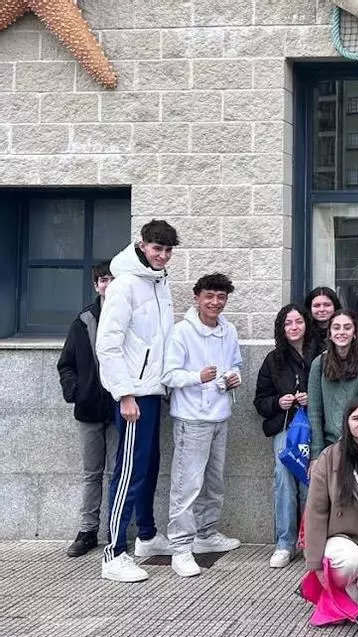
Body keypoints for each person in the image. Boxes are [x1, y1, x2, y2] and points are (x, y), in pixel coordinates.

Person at [96, 219, 179, 583]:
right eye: (157, 248)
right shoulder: (124, 284)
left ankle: (146, 535)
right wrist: (125, 394)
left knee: (148, 465)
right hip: (134, 394)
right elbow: (108, 345)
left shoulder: (159, 282)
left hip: (153, 390)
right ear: (142, 245)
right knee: (129, 471)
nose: (162, 256)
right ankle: (113, 554)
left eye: (168, 250)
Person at [161, 273, 244, 577]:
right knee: (187, 484)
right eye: (209, 296)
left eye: (221, 297)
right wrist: (197, 377)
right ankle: (181, 548)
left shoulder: (229, 330)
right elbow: (168, 375)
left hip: (220, 416)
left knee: (214, 481)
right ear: (197, 298)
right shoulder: (181, 332)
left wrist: (233, 377)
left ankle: (206, 533)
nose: (215, 302)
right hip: (191, 418)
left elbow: (235, 364)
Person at [303, 397, 358, 609]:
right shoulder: (330, 456)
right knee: (350, 563)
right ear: (347, 422)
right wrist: (315, 565)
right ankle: (344, 591)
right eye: (357, 418)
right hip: (341, 537)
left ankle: (350, 596)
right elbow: (316, 510)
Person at [57, 261, 118, 558]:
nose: (108, 285)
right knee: (92, 473)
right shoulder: (83, 321)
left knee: (119, 472)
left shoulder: (128, 318)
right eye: (103, 280)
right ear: (96, 285)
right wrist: (76, 392)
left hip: (120, 409)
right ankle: (87, 531)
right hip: (89, 409)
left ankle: (117, 531)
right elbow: (66, 364)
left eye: (112, 279)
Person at [255, 303, 319, 569]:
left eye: (298, 322)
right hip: (286, 427)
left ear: (307, 324)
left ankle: (310, 540)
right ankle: (284, 543)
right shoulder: (274, 360)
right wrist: (278, 402)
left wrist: (311, 399)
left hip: (314, 427)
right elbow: (260, 401)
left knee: (310, 481)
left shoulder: (320, 354)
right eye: (288, 323)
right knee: (283, 476)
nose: (294, 327)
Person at [308, 310, 358, 452]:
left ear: (355, 333)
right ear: (330, 334)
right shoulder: (319, 363)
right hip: (329, 442)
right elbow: (314, 412)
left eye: (347, 328)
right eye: (336, 328)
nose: (341, 332)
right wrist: (316, 453)